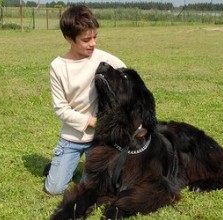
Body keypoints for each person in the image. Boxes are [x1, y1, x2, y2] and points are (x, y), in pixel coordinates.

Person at [44, 5, 126, 195]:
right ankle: (58, 165)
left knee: (91, 188)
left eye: (95, 37)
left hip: (99, 140)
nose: (93, 43)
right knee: (54, 189)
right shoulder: (58, 67)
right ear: (69, 38)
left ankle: (75, 166)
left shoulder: (103, 58)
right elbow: (61, 109)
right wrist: (91, 121)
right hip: (71, 139)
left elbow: (127, 79)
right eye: (86, 39)